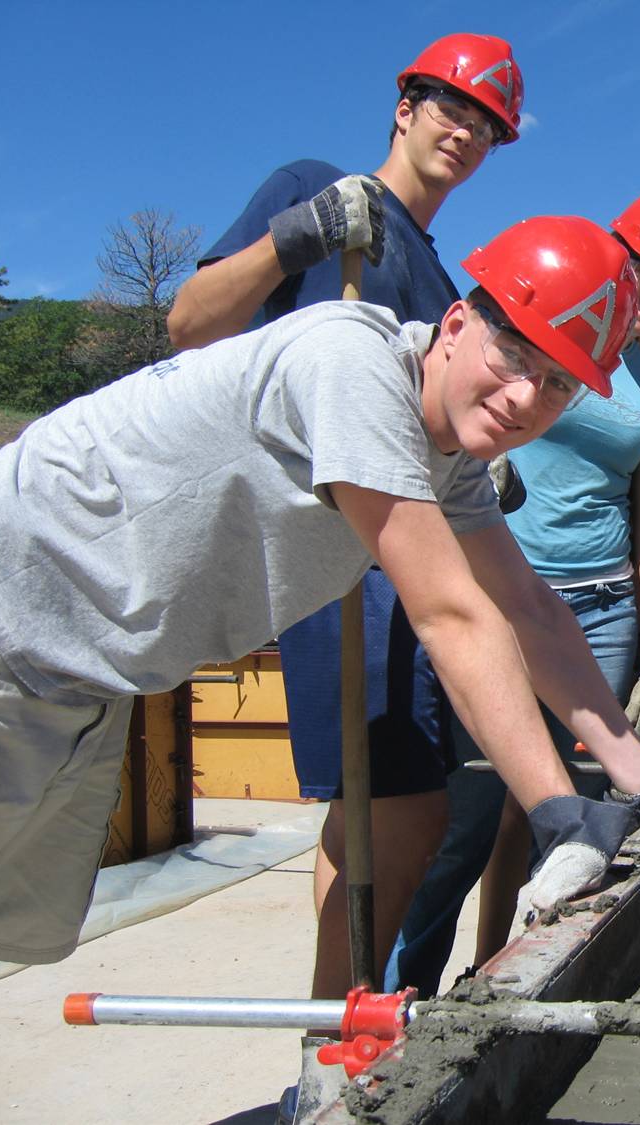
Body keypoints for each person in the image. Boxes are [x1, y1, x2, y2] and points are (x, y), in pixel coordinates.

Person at [0, 216, 640, 976]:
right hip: (15, 612)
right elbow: (452, 613)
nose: (523, 397)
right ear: (455, 323)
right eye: (513, 352)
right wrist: (560, 811)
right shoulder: (351, 364)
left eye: (557, 383)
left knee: (13, 925)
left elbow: (530, 610)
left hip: (83, 671)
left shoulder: (448, 459)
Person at [166, 34, 526, 1001]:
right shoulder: (313, 185)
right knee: (392, 807)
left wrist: (485, 464)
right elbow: (190, 322)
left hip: (411, 555)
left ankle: (353, 1020)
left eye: (487, 125)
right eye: (450, 105)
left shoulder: (445, 289)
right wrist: (300, 236)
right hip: (329, 546)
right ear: (403, 107)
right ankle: (335, 1037)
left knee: (406, 811)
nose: (466, 130)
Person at [383, 190, 640, 996]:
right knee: (461, 825)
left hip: (593, 610)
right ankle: (401, 1000)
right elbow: (458, 596)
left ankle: (513, 990)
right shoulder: (518, 349)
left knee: (564, 828)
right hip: (480, 591)